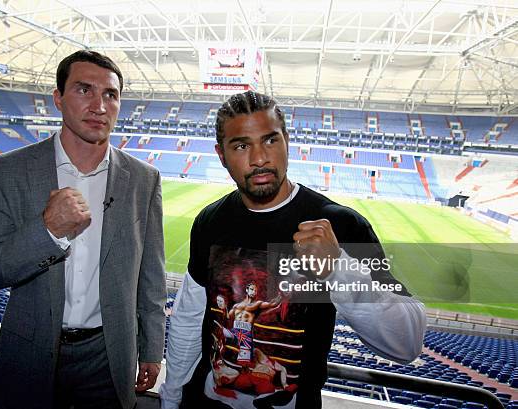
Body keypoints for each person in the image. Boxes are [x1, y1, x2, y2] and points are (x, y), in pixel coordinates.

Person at [159, 91, 426, 409]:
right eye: (242, 145)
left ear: (287, 140)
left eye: (270, 140)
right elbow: (189, 317)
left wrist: (337, 267)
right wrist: (172, 397)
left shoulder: (339, 224)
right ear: (221, 154)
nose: (259, 158)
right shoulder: (209, 220)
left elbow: (406, 342)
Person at [0, 50, 166, 409]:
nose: (99, 105)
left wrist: (152, 347)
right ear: (57, 99)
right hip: (31, 351)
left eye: (110, 94)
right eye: (83, 90)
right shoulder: (5, 172)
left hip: (108, 357)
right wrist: (47, 230)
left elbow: (151, 273)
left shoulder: (143, 179)